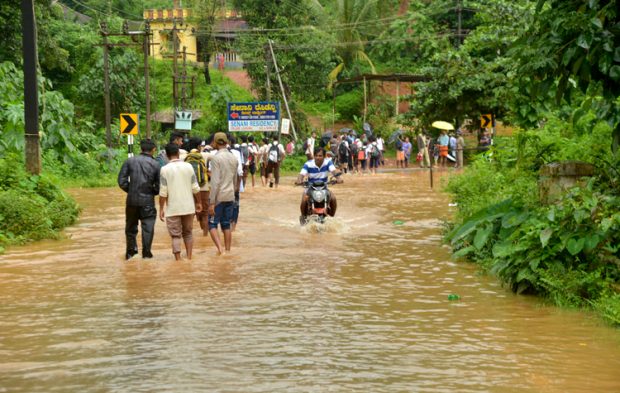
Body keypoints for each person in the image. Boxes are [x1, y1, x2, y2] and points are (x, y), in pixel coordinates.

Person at [117, 139, 160, 260]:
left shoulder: (130, 161)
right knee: (148, 228)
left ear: (141, 148)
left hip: (131, 201)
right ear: (153, 150)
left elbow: (122, 182)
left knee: (130, 228)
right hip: (148, 201)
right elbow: (159, 185)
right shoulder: (156, 164)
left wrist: (131, 191)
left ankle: (131, 253)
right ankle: (146, 254)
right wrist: (152, 192)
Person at [159, 143, 201, 260]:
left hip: (173, 209)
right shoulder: (188, 167)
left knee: (175, 236)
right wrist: (199, 203)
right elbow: (195, 188)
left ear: (167, 156)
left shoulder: (164, 169)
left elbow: (163, 192)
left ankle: (178, 261)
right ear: (178, 153)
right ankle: (189, 258)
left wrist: (161, 208)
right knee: (188, 233)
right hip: (188, 207)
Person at [208, 132, 239, 254]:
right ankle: (228, 250)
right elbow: (235, 180)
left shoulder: (216, 158)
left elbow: (215, 182)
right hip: (230, 195)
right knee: (226, 224)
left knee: (212, 224)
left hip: (219, 196)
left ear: (215, 142)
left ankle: (220, 250)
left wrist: (211, 202)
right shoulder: (233, 158)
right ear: (226, 142)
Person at [295, 147, 343, 224]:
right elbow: (302, 174)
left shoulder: (328, 162)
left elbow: (333, 171)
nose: (318, 157)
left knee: (333, 198)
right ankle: (303, 217)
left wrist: (338, 178)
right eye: (316, 155)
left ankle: (332, 215)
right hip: (310, 188)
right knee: (304, 200)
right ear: (314, 156)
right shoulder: (308, 164)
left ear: (324, 156)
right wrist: (299, 180)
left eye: (320, 156)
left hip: (324, 187)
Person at [185, 137, 212, 236]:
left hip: (189, 189)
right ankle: (205, 235)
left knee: (190, 214)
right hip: (203, 188)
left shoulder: (184, 156)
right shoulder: (205, 155)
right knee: (205, 214)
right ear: (198, 146)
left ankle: (188, 236)